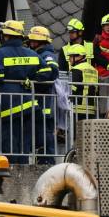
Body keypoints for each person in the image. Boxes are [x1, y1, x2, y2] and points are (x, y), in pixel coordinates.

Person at [0, 19, 49, 164]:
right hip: (28, 104)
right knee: (24, 143)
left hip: (9, 104)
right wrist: (31, 78)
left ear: (6, 36)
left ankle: (9, 172)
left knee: (8, 142)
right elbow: (48, 71)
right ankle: (23, 171)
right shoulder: (31, 53)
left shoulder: (1, 53)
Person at [26, 25, 65, 162]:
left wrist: (34, 80)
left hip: (45, 104)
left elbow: (52, 71)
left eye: (32, 40)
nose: (30, 43)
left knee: (46, 135)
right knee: (39, 134)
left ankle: (47, 162)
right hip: (40, 103)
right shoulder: (39, 53)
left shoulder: (47, 55)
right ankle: (43, 159)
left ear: (39, 41)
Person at [65, 41, 100, 123]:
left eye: (71, 56)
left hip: (78, 108)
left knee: (75, 134)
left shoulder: (77, 69)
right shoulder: (93, 70)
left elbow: (71, 90)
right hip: (91, 109)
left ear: (79, 56)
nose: (69, 59)